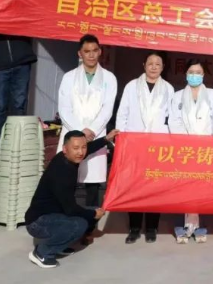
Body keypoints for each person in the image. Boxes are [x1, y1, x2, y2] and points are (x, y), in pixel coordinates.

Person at [25, 129, 119, 269]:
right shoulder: (61, 173)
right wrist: (93, 215)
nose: (80, 152)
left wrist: (106, 139)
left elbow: (89, 148)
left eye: (83, 147)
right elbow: (71, 209)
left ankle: (59, 245)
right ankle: (42, 252)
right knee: (79, 224)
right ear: (65, 149)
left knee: (92, 211)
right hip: (38, 221)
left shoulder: (66, 157)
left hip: (55, 212)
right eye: (76, 148)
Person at [115, 51, 174, 244]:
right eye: (150, 63)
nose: (154, 67)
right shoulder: (132, 86)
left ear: (163, 67)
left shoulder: (168, 89)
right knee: (134, 186)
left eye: (158, 64)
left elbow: (172, 118)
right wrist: (122, 139)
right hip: (134, 144)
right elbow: (122, 114)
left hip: (158, 145)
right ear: (144, 65)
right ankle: (134, 228)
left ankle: (151, 228)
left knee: (154, 187)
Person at [56, 34, 117, 216]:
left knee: (93, 182)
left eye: (94, 51)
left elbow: (107, 109)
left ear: (100, 52)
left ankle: (91, 221)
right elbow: (64, 107)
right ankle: (66, 218)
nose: (91, 55)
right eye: (87, 51)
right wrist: (79, 132)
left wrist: (92, 130)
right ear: (80, 53)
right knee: (68, 178)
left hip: (95, 134)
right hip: (72, 133)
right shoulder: (68, 77)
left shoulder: (109, 78)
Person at [168, 58, 213, 244]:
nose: (194, 75)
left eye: (198, 72)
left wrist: (207, 140)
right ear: (186, 74)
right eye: (191, 72)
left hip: (206, 147)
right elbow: (174, 120)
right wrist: (186, 141)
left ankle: (198, 226)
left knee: (201, 187)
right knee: (183, 185)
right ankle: (184, 226)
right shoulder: (177, 96)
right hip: (184, 148)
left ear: (204, 74)